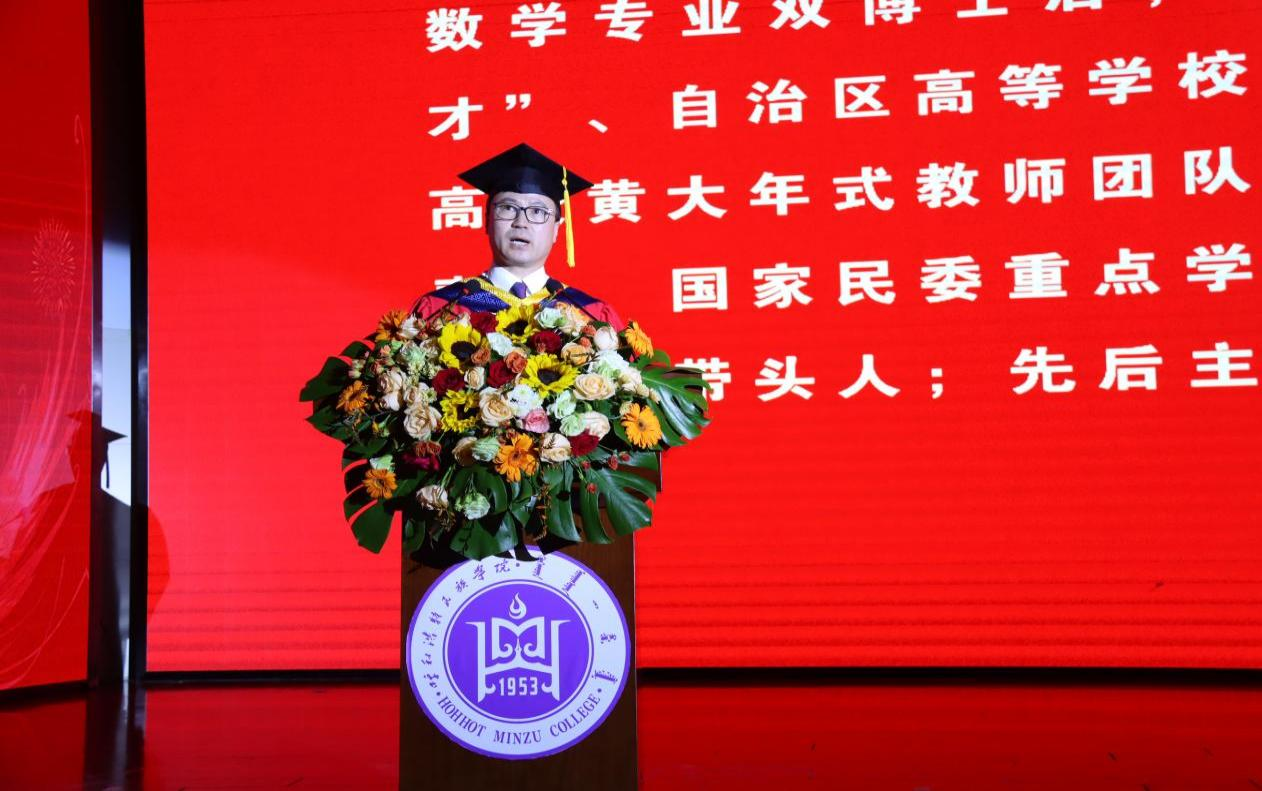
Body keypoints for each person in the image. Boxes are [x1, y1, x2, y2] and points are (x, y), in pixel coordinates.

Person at [410, 142, 626, 329]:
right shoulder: (439, 309)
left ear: (556, 230)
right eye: (507, 208)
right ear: (487, 221)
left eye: (537, 211)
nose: (521, 222)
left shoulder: (592, 316)